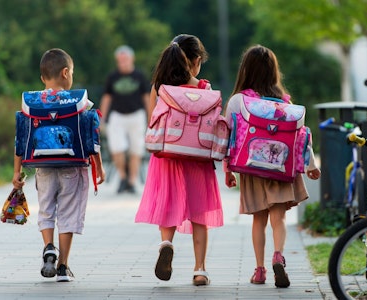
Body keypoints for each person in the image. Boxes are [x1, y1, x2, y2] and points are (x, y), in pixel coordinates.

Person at [223, 45, 321, 288]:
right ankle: (278, 254)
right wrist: (311, 164)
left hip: (252, 167)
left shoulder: (238, 101)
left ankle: (259, 270)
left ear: (245, 70)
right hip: (280, 167)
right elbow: (300, 138)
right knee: (279, 219)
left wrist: (227, 169)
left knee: (259, 220)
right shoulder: (284, 103)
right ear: (273, 72)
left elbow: (227, 136)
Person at [135, 34, 223, 286]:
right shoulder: (204, 89)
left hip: (167, 156)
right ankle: (200, 269)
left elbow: (154, 120)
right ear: (195, 61)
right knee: (200, 214)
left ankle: (166, 243)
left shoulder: (160, 88)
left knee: (168, 205)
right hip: (198, 158)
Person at [12, 48, 106, 282]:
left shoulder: (32, 103)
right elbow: (91, 139)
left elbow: (20, 138)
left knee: (46, 210)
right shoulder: (78, 103)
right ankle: (63, 266)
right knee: (68, 213)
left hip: (43, 167)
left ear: (43, 78)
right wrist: (99, 168)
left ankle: (49, 247)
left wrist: (16, 172)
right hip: (72, 167)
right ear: (66, 73)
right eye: (71, 72)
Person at [99, 45, 150, 194]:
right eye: (120, 60)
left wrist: (150, 117)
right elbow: (107, 97)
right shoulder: (112, 77)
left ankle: (132, 180)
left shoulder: (139, 76)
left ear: (131, 59)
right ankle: (122, 176)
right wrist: (102, 118)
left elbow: (146, 97)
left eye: (125, 60)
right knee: (116, 148)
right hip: (117, 116)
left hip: (136, 115)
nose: (123, 63)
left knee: (136, 148)